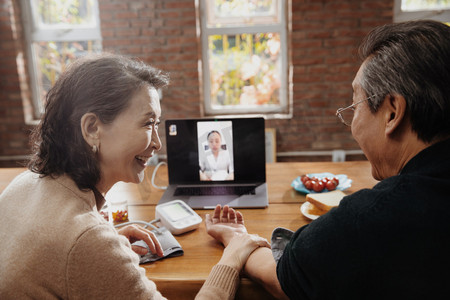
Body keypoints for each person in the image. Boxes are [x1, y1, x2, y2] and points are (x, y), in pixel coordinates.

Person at [205, 20, 450, 299]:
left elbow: (284, 277)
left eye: (355, 104)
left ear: (392, 113)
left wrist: (236, 239)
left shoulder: (371, 219)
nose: (352, 122)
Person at [0, 53, 269, 299]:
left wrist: (107, 241)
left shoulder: (24, 184)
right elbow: (78, 246)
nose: (157, 143)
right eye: (148, 123)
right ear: (92, 128)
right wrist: (232, 257)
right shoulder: (87, 242)